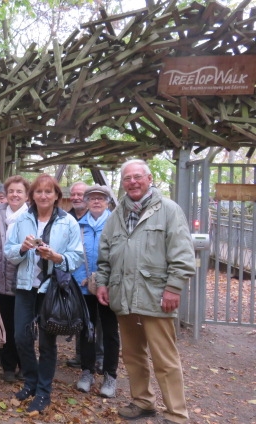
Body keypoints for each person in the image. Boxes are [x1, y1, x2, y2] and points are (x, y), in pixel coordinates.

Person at [95, 159, 195, 424]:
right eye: (127, 178)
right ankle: (142, 402)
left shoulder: (169, 210)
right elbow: (105, 254)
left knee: (165, 357)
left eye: (138, 177)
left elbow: (182, 253)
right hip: (123, 296)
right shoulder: (117, 214)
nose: (133, 182)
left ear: (149, 179)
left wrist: (174, 287)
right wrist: (103, 283)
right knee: (132, 354)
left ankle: (176, 413)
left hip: (156, 296)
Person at [4, 174, 83, 413]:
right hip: (26, 287)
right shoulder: (22, 220)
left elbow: (77, 256)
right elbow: (9, 253)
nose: (43, 196)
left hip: (51, 289)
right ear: (33, 195)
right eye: (39, 192)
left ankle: (43, 391)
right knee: (21, 337)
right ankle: (31, 381)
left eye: (49, 192)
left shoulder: (68, 222)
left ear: (57, 195)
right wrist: (22, 247)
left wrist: (57, 258)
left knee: (48, 343)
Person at [71, 185, 120, 398]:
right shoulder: (78, 225)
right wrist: (78, 278)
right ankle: (87, 371)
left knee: (109, 331)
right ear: (87, 202)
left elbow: (119, 255)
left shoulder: (115, 224)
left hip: (108, 287)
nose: (97, 202)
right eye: (92, 198)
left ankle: (110, 375)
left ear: (108, 202)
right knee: (86, 330)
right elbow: (74, 253)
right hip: (83, 287)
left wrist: (108, 281)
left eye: (101, 198)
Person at [0, 175, 29, 382]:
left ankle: (25, 364)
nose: (14, 195)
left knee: (23, 327)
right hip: (0, 279)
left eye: (18, 191)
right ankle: (7, 366)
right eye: (10, 191)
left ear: (26, 195)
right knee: (5, 325)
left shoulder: (31, 217)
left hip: (23, 281)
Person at [66, 181, 89, 369]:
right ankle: (81, 355)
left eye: (80, 194)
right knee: (79, 318)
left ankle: (98, 357)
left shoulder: (95, 218)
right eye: (73, 194)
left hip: (91, 278)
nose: (75, 197)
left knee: (95, 320)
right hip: (72, 277)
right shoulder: (67, 218)